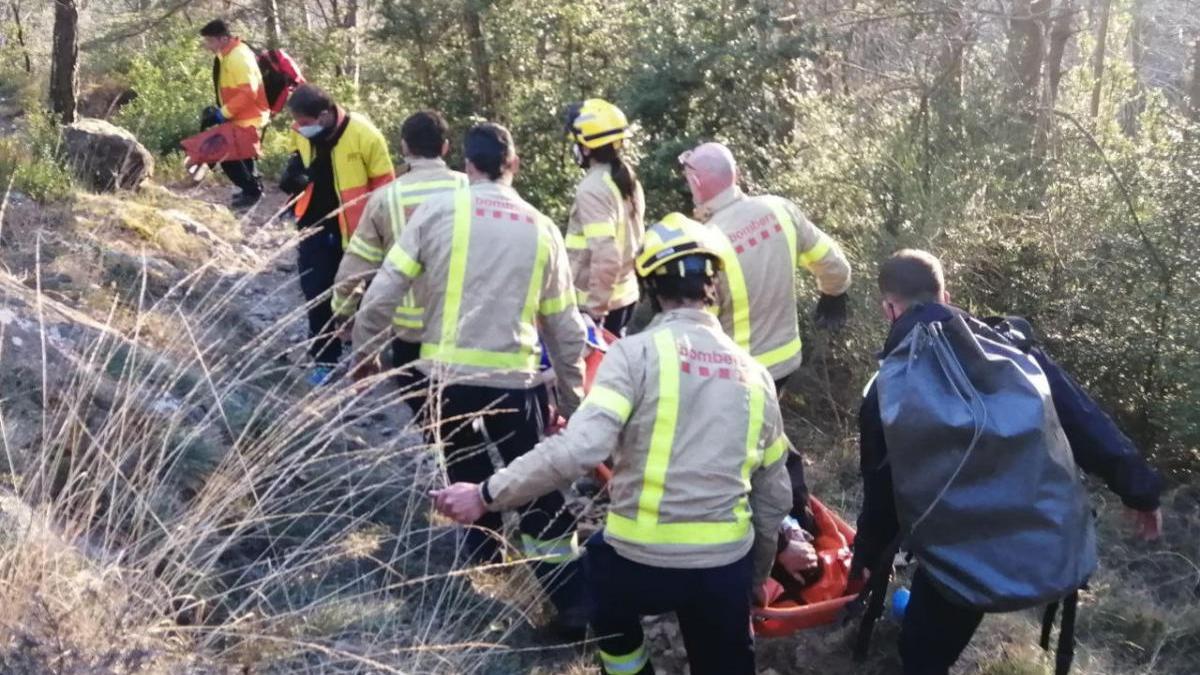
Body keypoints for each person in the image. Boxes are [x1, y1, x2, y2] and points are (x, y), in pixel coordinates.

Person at [431, 213, 794, 675]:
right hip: (722, 566)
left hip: (637, 559)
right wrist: (755, 578)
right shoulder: (755, 375)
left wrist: (486, 495)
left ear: (650, 288)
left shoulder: (634, 354)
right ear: (715, 284)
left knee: (600, 590)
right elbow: (774, 494)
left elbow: (578, 450)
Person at [852, 249, 1164, 675]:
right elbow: (1083, 420)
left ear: (889, 307)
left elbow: (883, 493)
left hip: (961, 566)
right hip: (1049, 549)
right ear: (946, 294)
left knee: (923, 652)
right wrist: (1140, 489)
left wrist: (867, 556)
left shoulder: (888, 386)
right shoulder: (1012, 348)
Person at [352, 123, 589, 632]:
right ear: (515, 165)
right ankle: (571, 601)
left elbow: (384, 288)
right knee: (537, 488)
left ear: (467, 165)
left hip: (446, 378)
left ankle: (484, 550)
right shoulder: (541, 226)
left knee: (461, 456)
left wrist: (366, 350)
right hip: (516, 383)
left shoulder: (439, 212)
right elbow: (566, 327)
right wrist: (571, 400)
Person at [679, 141, 852, 528]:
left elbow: (695, 322)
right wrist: (834, 294)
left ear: (696, 181)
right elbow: (834, 264)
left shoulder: (703, 242)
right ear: (736, 175)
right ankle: (791, 523)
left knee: (752, 455)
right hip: (785, 361)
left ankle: (785, 527)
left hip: (737, 375)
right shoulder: (779, 210)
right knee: (767, 437)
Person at [329, 110, 466, 401]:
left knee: (428, 418)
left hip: (412, 333)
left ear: (404, 147)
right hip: (470, 328)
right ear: (445, 147)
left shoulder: (386, 198)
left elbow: (352, 272)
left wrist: (344, 316)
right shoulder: (471, 190)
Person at [280, 84, 395, 385]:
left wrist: (381, 234)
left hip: (359, 234)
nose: (300, 129)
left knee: (363, 296)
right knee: (315, 292)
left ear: (326, 115)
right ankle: (325, 359)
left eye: (306, 124)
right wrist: (294, 176)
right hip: (314, 225)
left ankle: (364, 356)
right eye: (298, 124)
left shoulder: (365, 135)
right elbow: (298, 159)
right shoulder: (300, 131)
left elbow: (386, 190)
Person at [562, 99, 646, 335]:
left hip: (600, 304)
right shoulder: (626, 177)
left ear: (586, 147)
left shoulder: (593, 188)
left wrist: (594, 311)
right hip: (624, 297)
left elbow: (606, 254)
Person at [198, 19, 270, 209]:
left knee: (228, 157)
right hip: (240, 115)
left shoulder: (238, 57)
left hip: (248, 116)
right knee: (243, 157)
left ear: (223, 39)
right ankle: (252, 191)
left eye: (210, 41)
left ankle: (252, 192)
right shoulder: (228, 55)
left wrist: (223, 113)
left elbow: (248, 92)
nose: (207, 46)